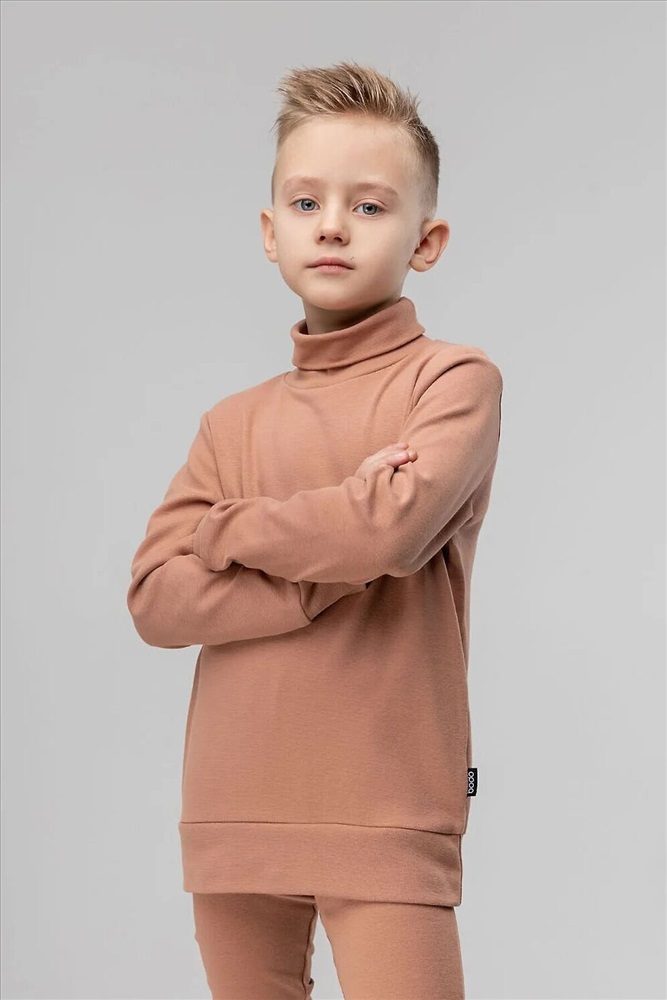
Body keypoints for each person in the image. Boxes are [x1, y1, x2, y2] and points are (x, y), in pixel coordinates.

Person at [127, 59, 504, 1000]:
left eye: (369, 206)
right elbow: (156, 600)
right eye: (306, 202)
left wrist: (226, 528)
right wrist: (328, 554)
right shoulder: (230, 423)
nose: (332, 224)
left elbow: (389, 535)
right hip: (231, 809)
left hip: (384, 806)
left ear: (427, 240)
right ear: (271, 231)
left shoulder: (451, 383)